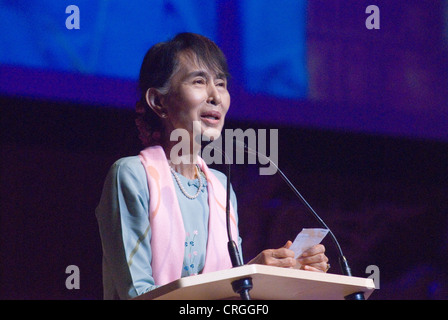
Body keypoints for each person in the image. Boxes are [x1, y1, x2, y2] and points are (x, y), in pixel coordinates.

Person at [95, 32, 329, 300]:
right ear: (158, 102)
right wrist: (245, 277)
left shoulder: (220, 187)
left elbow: (229, 297)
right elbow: (138, 294)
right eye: (199, 81)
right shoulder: (132, 175)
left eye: (221, 83)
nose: (216, 96)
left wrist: (288, 273)